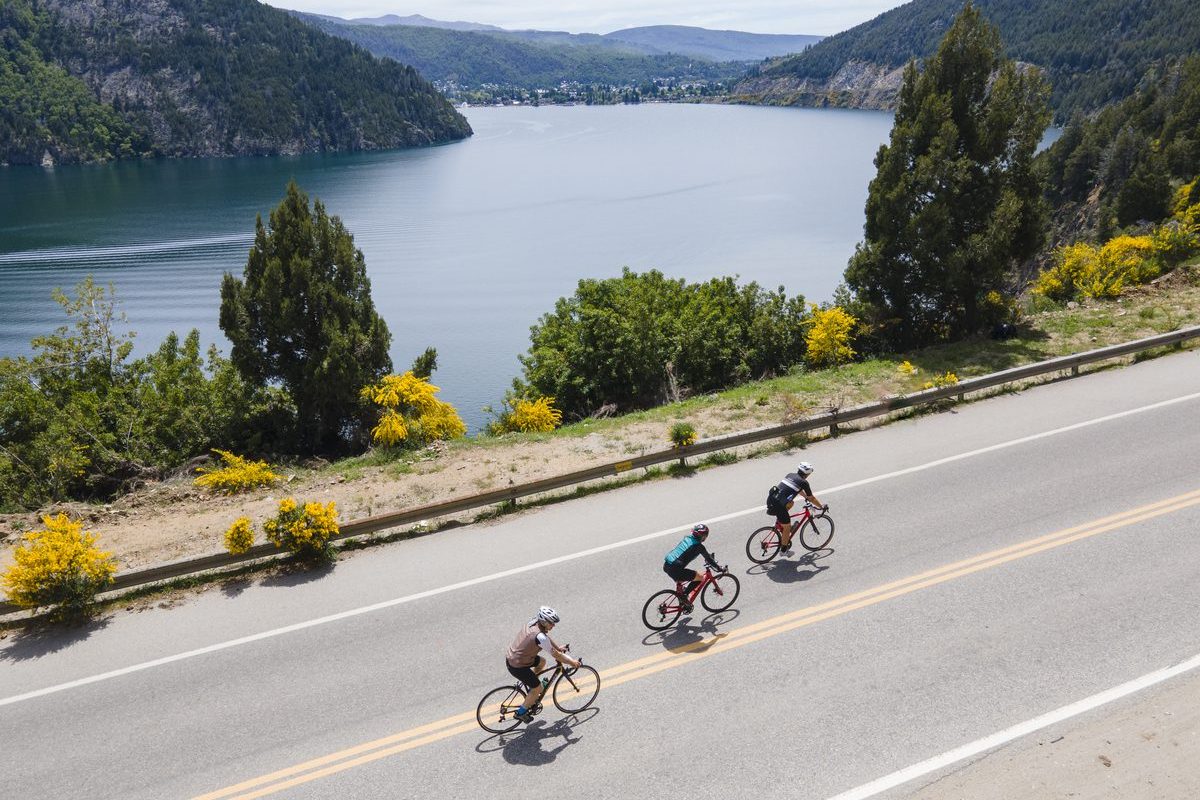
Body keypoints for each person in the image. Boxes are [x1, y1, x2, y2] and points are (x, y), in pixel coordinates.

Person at [506, 606, 580, 722]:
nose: (553, 625)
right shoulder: (539, 636)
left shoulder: (534, 622)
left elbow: (546, 637)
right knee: (538, 688)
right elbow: (556, 655)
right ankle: (521, 713)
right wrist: (572, 662)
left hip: (516, 657)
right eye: (552, 623)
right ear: (544, 622)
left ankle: (532, 690)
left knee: (542, 662)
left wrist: (558, 647)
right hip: (518, 665)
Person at [767, 462, 827, 552]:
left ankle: (780, 523)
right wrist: (821, 506)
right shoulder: (804, 482)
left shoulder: (790, 475)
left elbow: (797, 489)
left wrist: (805, 497)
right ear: (808, 474)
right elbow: (812, 498)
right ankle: (783, 550)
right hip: (778, 506)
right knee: (787, 527)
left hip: (770, 500)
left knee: (791, 503)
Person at [663, 523, 722, 612]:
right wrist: (719, 568)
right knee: (700, 577)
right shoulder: (699, 547)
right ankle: (684, 596)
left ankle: (682, 598)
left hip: (667, 565)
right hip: (676, 569)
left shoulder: (687, 538)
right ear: (703, 536)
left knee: (683, 578)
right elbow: (708, 559)